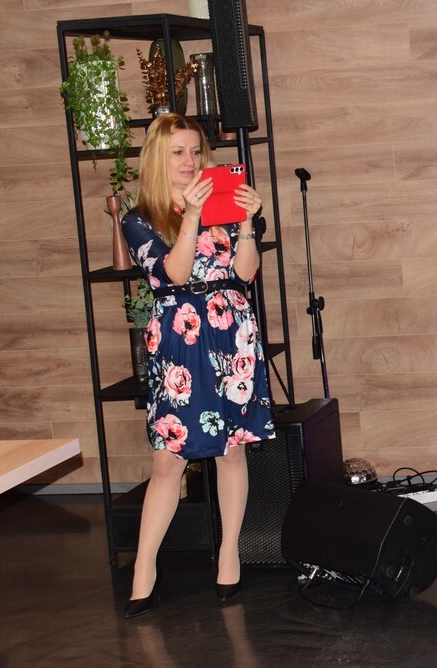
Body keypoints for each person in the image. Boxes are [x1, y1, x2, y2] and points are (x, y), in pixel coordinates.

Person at [121, 113, 275, 618]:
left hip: (231, 333)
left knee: (231, 450)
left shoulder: (224, 206)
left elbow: (244, 274)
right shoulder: (139, 218)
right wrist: (190, 215)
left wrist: (246, 222)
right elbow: (175, 274)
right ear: (157, 159)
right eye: (177, 153)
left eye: (194, 151)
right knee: (168, 460)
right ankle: (145, 568)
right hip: (180, 341)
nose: (189, 161)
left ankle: (229, 555)